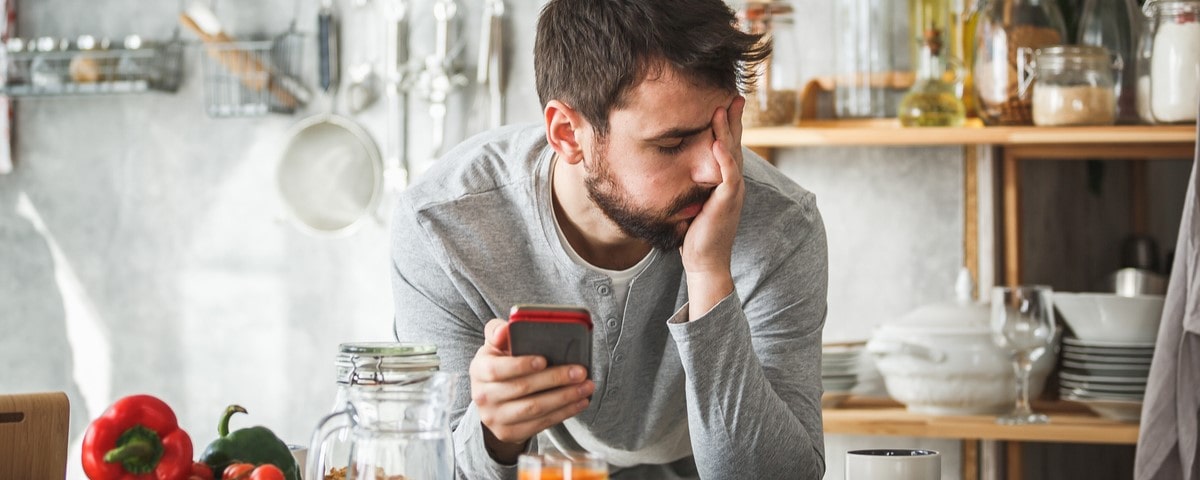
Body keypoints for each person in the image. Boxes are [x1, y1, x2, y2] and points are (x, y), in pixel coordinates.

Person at [391, 0, 828, 478]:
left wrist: (709, 274)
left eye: (720, 131)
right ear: (568, 134)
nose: (713, 171)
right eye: (670, 144)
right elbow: (429, 468)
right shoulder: (442, 226)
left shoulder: (782, 224)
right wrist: (495, 436)